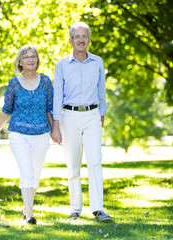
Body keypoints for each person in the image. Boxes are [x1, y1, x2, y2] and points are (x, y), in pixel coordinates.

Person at [51, 22, 112, 222]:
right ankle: (75, 209)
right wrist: (56, 125)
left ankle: (98, 209)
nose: (81, 40)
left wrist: (101, 114)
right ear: (70, 41)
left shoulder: (98, 62)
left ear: (89, 40)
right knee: (73, 164)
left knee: (95, 161)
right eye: (77, 36)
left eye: (84, 36)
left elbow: (101, 90)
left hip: (93, 115)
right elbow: (57, 97)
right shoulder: (61, 65)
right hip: (69, 117)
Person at [0, 44, 54, 225]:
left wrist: (55, 130)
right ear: (20, 61)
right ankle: (30, 215)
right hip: (18, 134)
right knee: (26, 172)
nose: (30, 59)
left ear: (37, 60)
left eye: (33, 56)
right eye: (26, 56)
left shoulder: (45, 82)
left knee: (35, 174)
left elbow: (49, 109)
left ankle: (26, 208)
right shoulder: (14, 83)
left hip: (41, 134)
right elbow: (7, 109)